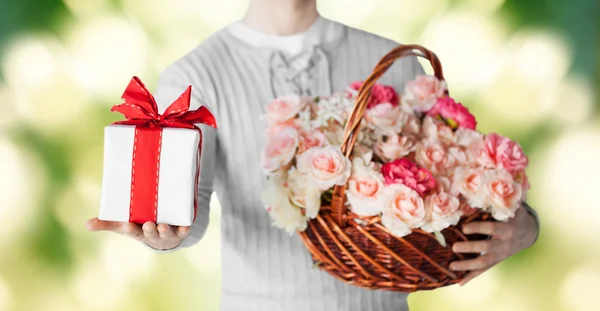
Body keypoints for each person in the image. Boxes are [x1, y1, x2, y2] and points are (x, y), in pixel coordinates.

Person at [86, 0, 541, 310]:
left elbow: (455, 183)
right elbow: (191, 212)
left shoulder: (394, 61)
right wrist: (164, 236)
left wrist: (526, 226)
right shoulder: (195, 75)